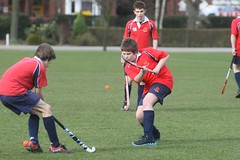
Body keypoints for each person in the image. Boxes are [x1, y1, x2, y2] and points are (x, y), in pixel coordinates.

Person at [0, 43, 71, 153]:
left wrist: (41, 106)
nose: (49, 64)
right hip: (14, 91)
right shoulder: (40, 67)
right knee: (46, 109)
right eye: (50, 61)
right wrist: (46, 108)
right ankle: (55, 146)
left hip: (3, 93)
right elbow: (38, 92)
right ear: (47, 58)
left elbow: (35, 96)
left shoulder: (27, 60)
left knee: (36, 111)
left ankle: (33, 143)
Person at [121, 38, 173, 146]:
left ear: (135, 52)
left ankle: (148, 137)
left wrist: (158, 68)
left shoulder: (147, 52)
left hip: (163, 80)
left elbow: (165, 55)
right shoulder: (127, 66)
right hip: (148, 86)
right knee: (140, 116)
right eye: (124, 54)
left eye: (128, 54)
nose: (125, 56)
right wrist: (142, 72)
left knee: (147, 102)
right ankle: (155, 134)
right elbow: (137, 79)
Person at [121, 1, 159, 111]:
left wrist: (155, 53)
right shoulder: (129, 24)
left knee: (143, 80)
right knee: (128, 80)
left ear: (144, 11)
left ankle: (140, 103)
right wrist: (122, 56)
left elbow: (155, 38)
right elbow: (125, 40)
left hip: (144, 56)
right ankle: (126, 102)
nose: (139, 13)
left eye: (141, 11)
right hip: (131, 56)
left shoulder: (151, 23)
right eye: (137, 11)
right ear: (134, 12)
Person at [230, 15, 240, 98]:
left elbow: (233, 35)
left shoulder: (236, 21)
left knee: (236, 68)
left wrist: (233, 48)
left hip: (239, 49)